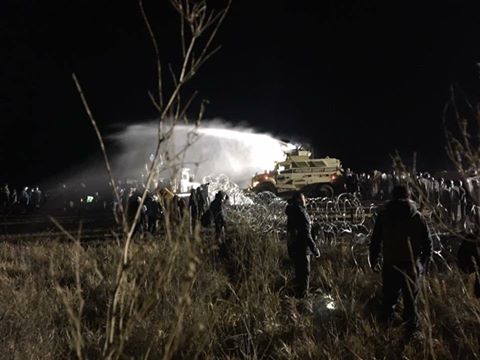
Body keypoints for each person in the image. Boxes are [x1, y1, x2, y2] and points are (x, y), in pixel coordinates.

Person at [369, 185, 432, 337]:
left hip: (391, 264)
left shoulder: (383, 216)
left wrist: (374, 260)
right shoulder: (418, 217)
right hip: (411, 266)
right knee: (411, 303)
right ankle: (410, 336)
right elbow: (428, 244)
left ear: (393, 196)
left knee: (389, 302)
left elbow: (375, 241)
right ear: (409, 196)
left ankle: (384, 335)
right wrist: (423, 264)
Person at [285, 191, 320, 299]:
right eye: (304, 198)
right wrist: (314, 249)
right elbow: (306, 233)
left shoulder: (291, 211)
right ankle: (304, 300)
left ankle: (297, 297)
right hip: (303, 248)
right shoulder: (301, 212)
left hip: (293, 247)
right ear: (299, 199)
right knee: (305, 274)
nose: (306, 201)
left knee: (298, 273)